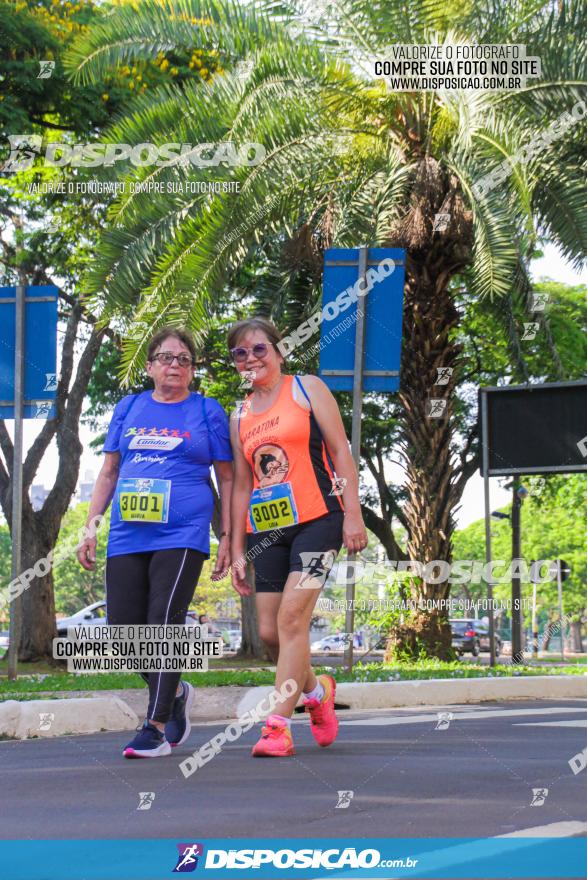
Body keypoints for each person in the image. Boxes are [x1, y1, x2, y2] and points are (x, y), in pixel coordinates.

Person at [77, 327, 233, 758]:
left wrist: (227, 536)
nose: (175, 366)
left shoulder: (206, 411)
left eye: (184, 359)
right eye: (166, 357)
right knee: (124, 634)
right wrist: (90, 525)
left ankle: (155, 726)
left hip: (183, 532)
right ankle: (176, 691)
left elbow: (228, 477)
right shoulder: (129, 407)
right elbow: (109, 471)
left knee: (163, 621)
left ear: (193, 370)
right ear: (149, 366)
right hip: (128, 532)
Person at [228, 317, 367, 757]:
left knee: (292, 620)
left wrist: (352, 514)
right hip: (266, 530)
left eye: (259, 349)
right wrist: (232, 546)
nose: (250, 358)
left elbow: (341, 450)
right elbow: (242, 485)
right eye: (240, 353)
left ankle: (277, 726)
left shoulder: (306, 389)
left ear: (279, 350)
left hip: (318, 521)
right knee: (271, 632)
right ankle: (318, 693)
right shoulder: (240, 415)